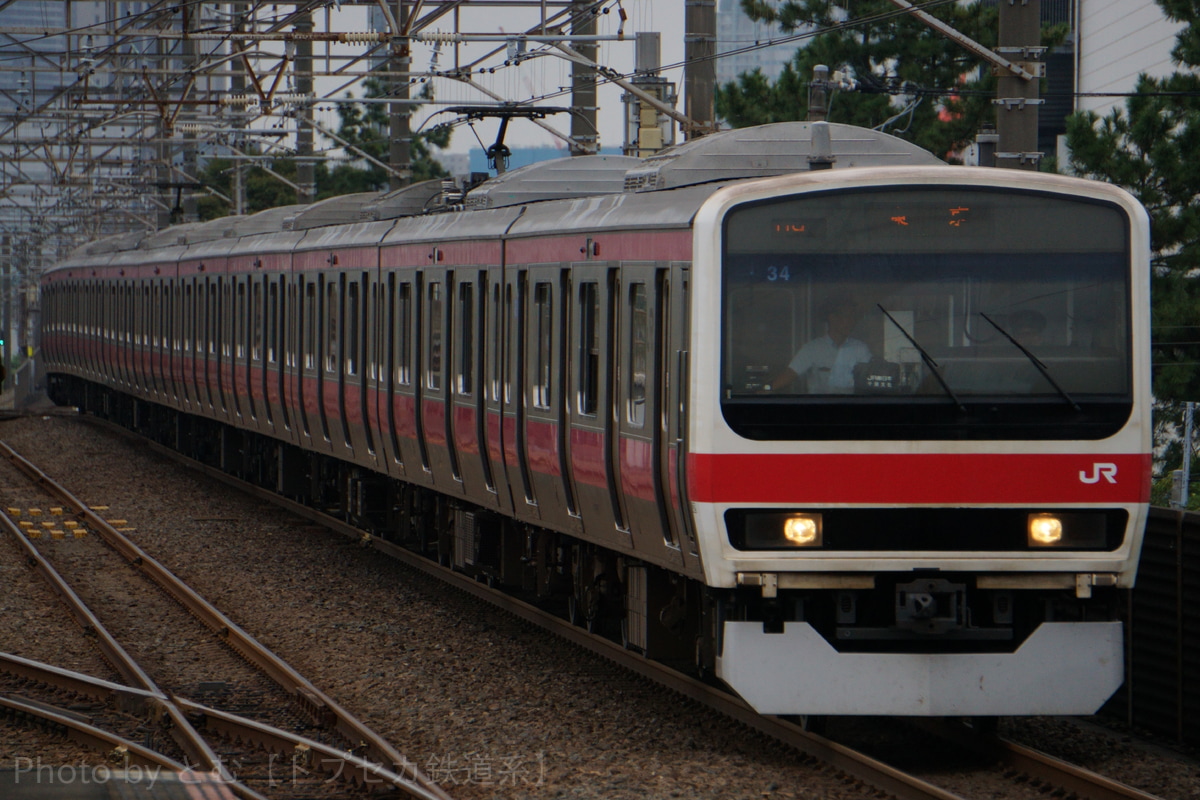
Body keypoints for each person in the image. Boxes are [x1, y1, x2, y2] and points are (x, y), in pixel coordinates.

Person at [770, 295, 872, 394]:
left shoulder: (861, 348)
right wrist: (767, 391)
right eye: (848, 317)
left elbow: (869, 378)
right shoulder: (812, 349)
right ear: (832, 318)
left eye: (854, 317)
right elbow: (790, 374)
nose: (852, 321)